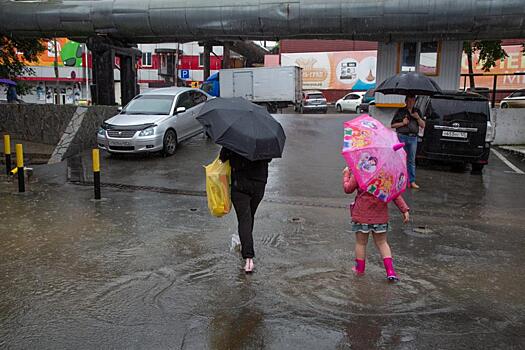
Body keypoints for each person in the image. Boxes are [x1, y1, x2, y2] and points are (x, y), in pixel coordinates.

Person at [343, 167, 410, 281]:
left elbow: (348, 188)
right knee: (382, 243)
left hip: (362, 215)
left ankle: (360, 269)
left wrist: (346, 175)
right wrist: (404, 209)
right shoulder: (386, 175)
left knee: (361, 243)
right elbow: (395, 194)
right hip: (380, 216)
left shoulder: (361, 171)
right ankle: (390, 271)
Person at [219, 147, 270, 273]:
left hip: (240, 185)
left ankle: (248, 257)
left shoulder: (234, 140)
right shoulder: (263, 139)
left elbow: (222, 158)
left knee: (244, 219)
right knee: (248, 217)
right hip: (258, 185)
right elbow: (268, 158)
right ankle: (246, 246)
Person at [391, 95, 425, 189]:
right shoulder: (400, 111)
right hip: (402, 137)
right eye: (409, 101)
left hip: (413, 138)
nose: (411, 103)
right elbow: (393, 125)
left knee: (411, 160)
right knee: (400, 159)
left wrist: (418, 118)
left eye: (413, 101)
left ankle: (412, 181)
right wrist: (402, 123)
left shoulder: (417, 111)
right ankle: (399, 179)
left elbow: (423, 125)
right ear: (406, 101)